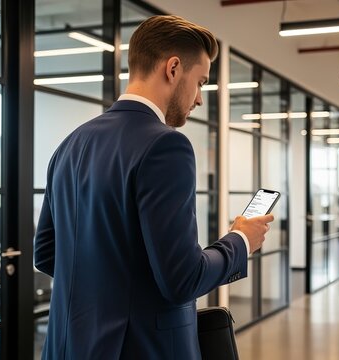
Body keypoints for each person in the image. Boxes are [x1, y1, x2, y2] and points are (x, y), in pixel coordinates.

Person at [34, 15, 274, 359]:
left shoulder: (71, 144)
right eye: (201, 83)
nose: (199, 99)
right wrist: (240, 240)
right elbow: (182, 280)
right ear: (173, 69)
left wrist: (114, 287)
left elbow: (46, 252)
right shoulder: (166, 146)